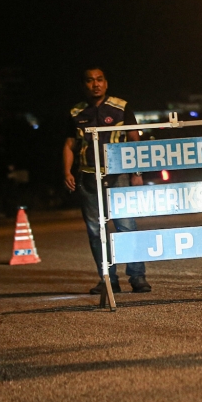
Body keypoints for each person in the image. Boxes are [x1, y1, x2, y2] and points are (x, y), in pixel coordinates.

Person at [63, 66, 151, 294]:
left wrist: (136, 172)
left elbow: (134, 140)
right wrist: (68, 172)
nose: (95, 84)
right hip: (89, 178)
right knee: (95, 232)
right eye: (90, 81)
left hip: (118, 175)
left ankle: (137, 277)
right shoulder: (75, 112)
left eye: (99, 80)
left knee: (127, 227)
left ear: (106, 83)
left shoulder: (121, 107)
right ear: (84, 85)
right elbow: (69, 145)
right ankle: (108, 280)